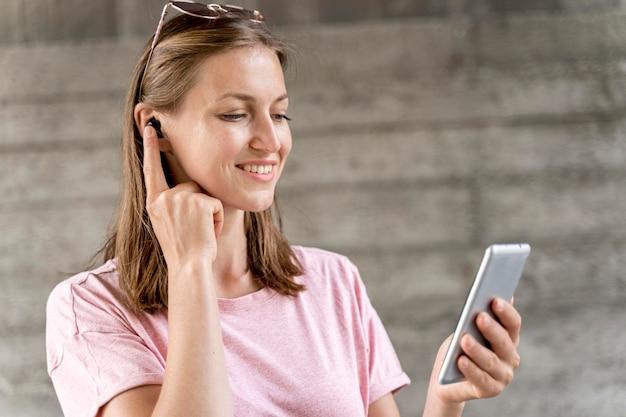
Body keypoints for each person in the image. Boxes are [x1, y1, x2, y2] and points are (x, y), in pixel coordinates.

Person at [45, 3, 522, 417]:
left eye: (279, 113)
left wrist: (447, 397)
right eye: (235, 113)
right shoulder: (91, 308)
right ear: (154, 125)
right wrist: (190, 266)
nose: (270, 141)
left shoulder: (333, 282)